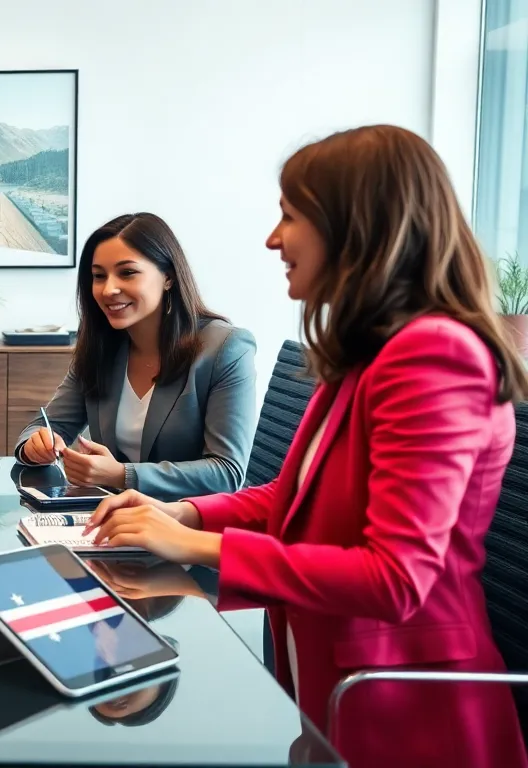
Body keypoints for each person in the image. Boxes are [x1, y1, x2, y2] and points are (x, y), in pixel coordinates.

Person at [85, 126, 528, 768]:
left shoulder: (435, 355)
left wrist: (194, 546)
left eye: (290, 217)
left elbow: (397, 578)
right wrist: (186, 513)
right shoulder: (367, 356)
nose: (273, 239)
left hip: (408, 717)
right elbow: (292, 501)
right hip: (335, 693)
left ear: (358, 227)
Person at [15, 213, 257, 499]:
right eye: (98, 276)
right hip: (114, 520)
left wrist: (120, 474)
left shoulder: (226, 348)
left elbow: (227, 473)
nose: (108, 289)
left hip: (187, 528)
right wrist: (35, 445)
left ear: (168, 277)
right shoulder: (101, 346)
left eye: (127, 272)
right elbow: (47, 425)